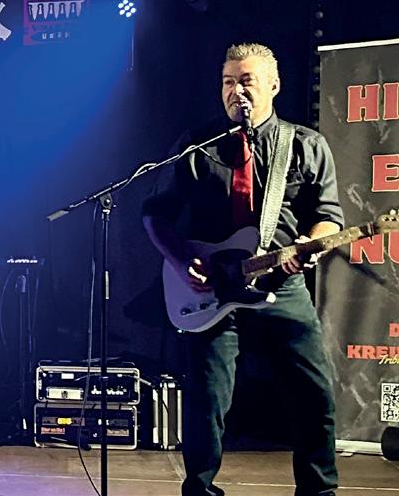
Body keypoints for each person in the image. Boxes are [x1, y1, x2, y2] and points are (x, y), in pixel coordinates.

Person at [142, 42, 342, 496]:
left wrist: (309, 242)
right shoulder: (197, 146)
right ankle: (199, 490)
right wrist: (181, 260)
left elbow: (329, 215)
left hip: (282, 284)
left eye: (246, 81)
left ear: (274, 85)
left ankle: (319, 491)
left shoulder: (306, 145)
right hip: (213, 289)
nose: (236, 92)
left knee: (314, 394)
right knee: (207, 400)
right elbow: (154, 213)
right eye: (228, 82)